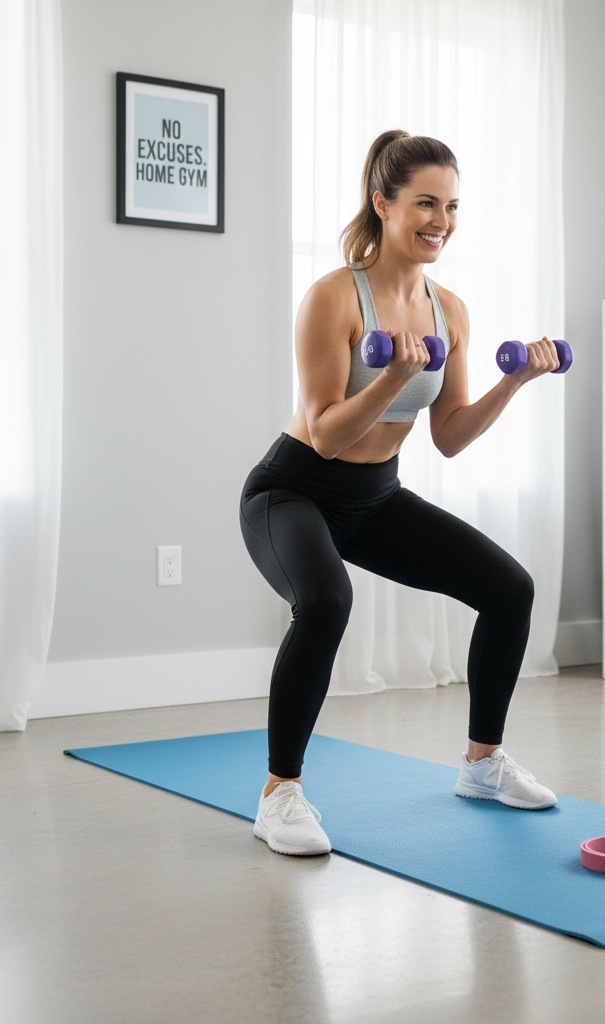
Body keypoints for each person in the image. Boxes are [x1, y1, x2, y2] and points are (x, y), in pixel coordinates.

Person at [240, 129, 562, 856]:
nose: (441, 221)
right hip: (291, 491)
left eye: (452, 207)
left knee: (509, 588)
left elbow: (449, 434)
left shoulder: (450, 311)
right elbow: (325, 434)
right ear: (383, 203)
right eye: (425, 203)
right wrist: (389, 378)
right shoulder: (333, 298)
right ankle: (279, 795)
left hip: (375, 498)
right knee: (325, 600)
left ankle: (482, 765)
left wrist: (513, 382)